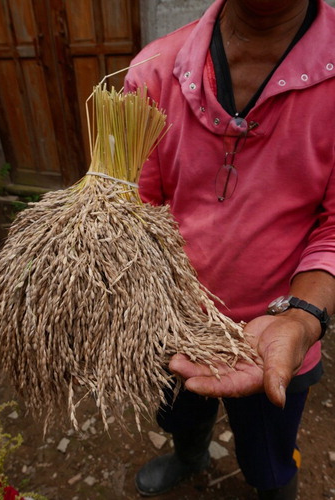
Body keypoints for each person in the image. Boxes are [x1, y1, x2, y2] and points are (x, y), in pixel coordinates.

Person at [124, 0, 335, 498]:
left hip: (273, 337)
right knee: (178, 410)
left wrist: (302, 319)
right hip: (171, 321)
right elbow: (140, 202)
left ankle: (275, 486)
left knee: (268, 453)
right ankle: (190, 454)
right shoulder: (153, 70)